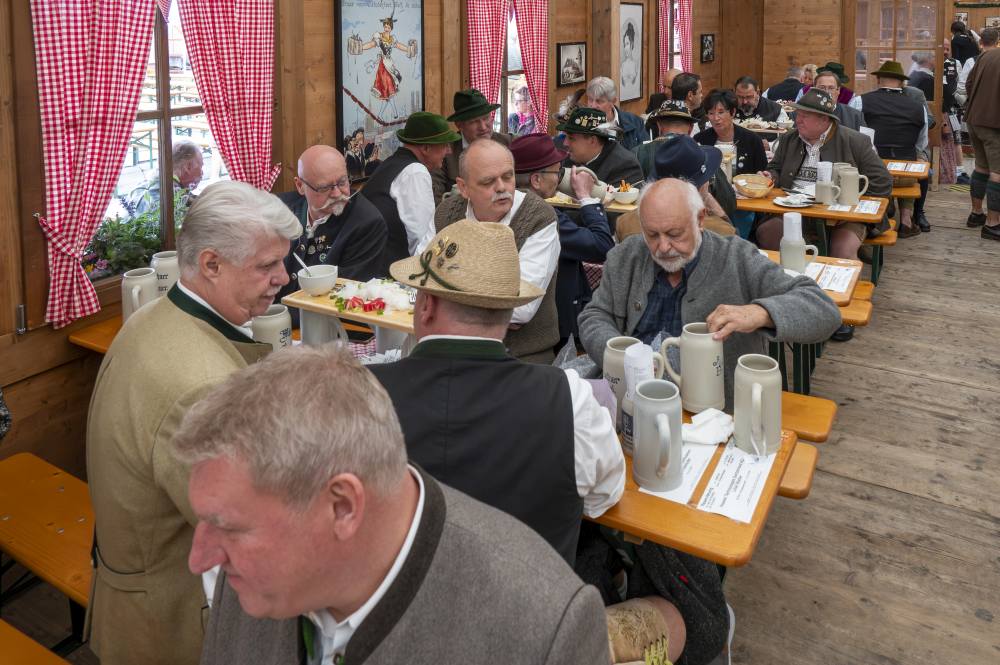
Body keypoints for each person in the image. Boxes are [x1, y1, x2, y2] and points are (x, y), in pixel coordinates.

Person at [174, 345, 613, 665]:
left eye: (228, 526)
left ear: (343, 507)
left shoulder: (542, 624)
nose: (200, 559)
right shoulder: (238, 573)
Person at [85, 181, 301, 665]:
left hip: (132, 584)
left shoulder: (152, 317)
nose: (283, 277)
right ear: (211, 264)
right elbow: (248, 538)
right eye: (266, 265)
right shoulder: (203, 387)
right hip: (171, 622)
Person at [368, 220, 624, 564]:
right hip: (535, 611)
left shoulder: (358, 395)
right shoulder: (571, 400)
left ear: (426, 305)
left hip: (394, 613)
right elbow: (604, 497)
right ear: (508, 311)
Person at [579, 178, 841, 410]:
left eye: (674, 234)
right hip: (631, 400)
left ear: (700, 219)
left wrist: (760, 312)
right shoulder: (627, 255)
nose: (663, 247)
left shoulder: (736, 257)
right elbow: (594, 315)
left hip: (713, 411)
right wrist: (621, 355)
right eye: (652, 235)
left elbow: (824, 310)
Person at [755, 88, 891, 342]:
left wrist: (849, 202)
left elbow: (882, 183)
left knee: (843, 246)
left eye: (805, 115)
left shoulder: (854, 141)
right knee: (769, 234)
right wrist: (770, 176)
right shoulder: (789, 140)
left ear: (825, 120)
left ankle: (837, 312)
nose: (798, 120)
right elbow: (775, 168)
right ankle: (790, 301)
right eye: (798, 114)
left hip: (843, 216)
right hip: (796, 211)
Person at [434, 139, 561, 363]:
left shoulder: (539, 217)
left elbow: (522, 307)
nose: (502, 187)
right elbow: (420, 276)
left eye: (508, 176)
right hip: (451, 349)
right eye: (488, 182)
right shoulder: (446, 213)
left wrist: (448, 294)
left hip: (521, 357)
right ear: (463, 188)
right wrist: (492, 299)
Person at [511, 132, 614, 346]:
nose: (560, 178)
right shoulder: (542, 218)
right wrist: (586, 198)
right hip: (551, 329)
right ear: (536, 180)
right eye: (558, 171)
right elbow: (602, 246)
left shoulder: (512, 204)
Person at [276, 146, 386, 321]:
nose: (337, 193)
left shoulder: (366, 222)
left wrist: (275, 319)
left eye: (343, 182)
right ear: (300, 186)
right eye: (324, 187)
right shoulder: (279, 209)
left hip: (326, 327)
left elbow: (340, 299)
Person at [364, 111, 455, 275]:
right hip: (390, 275)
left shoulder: (391, 164)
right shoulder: (415, 172)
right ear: (426, 148)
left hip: (373, 266)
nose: (448, 151)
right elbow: (423, 240)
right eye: (444, 145)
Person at [631, 100, 737, 220]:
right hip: (695, 226)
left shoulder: (636, 153)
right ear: (691, 128)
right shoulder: (701, 155)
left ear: (659, 126)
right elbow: (729, 203)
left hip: (647, 224)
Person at [619, 135, 736, 241]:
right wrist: (714, 206)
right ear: (700, 187)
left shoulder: (624, 223)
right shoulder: (720, 230)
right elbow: (734, 246)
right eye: (707, 178)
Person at [861, 61, 927, 238]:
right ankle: (906, 220)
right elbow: (921, 143)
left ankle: (877, 216)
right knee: (914, 162)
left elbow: (855, 138)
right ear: (902, 83)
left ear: (878, 80)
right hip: (905, 176)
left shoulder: (860, 101)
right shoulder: (918, 108)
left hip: (872, 174)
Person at [432, 88, 511, 204]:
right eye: (474, 121)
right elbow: (436, 198)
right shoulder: (445, 153)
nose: (483, 127)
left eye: (486, 118)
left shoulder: (508, 143)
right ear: (459, 125)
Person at [964, 30, 1000, 240]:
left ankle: (976, 214)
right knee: (998, 173)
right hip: (994, 123)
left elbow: (968, 85)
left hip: (974, 119)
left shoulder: (985, 55)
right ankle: (993, 224)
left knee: (981, 167)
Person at [559, 107, 645, 187]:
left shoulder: (625, 166)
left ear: (592, 140)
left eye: (571, 138)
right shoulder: (568, 159)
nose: (565, 143)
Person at [695, 88, 768, 176]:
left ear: (732, 112)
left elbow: (762, 173)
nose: (716, 118)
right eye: (711, 113)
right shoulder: (700, 140)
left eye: (721, 112)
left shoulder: (752, 140)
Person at [129, 139, 203, 215]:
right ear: (188, 167)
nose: (202, 173)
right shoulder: (169, 197)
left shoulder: (147, 184)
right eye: (200, 166)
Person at [585, 76, 646, 150]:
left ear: (613, 101)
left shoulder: (635, 122)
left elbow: (645, 153)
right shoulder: (582, 125)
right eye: (590, 100)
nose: (593, 106)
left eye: (599, 101)